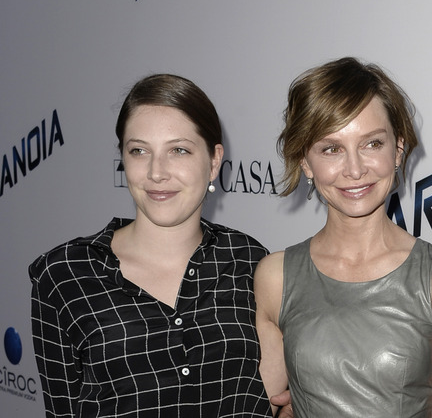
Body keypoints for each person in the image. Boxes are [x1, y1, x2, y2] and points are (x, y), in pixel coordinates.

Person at [29, 74, 291, 417]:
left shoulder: (249, 260)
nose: (156, 172)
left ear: (213, 161)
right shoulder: (63, 274)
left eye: (178, 150)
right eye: (139, 151)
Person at [255, 57, 432, 417]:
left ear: (397, 151)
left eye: (372, 144)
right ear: (306, 162)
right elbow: (259, 405)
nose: (355, 170)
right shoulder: (275, 277)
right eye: (331, 149)